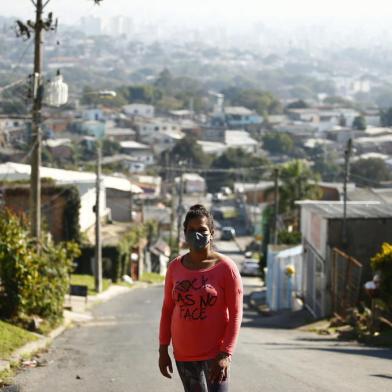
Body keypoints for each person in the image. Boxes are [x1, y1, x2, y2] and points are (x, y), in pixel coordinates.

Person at [159, 204, 243, 392]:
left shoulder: (226, 268)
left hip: (215, 355)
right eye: (192, 230)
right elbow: (167, 310)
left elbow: (236, 314)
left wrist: (226, 353)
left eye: (202, 230)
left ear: (212, 233)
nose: (197, 234)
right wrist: (163, 349)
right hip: (184, 355)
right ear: (185, 233)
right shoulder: (175, 268)